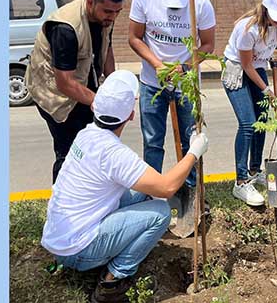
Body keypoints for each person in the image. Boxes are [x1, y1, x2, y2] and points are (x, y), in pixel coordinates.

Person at [41, 70, 210, 303]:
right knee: (160, 211)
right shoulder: (114, 155)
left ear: (94, 108)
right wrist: (194, 152)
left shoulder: (85, 135)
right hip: (77, 251)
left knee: (143, 191)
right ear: (131, 115)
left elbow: (148, 183)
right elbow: (168, 187)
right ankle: (113, 281)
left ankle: (114, 246)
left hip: (59, 238)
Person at [128, 0, 216, 188]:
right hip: (151, 83)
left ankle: (190, 190)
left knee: (190, 142)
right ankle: (152, 189)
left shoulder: (202, 3)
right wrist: (157, 64)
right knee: (152, 141)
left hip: (186, 85)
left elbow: (207, 44)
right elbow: (134, 38)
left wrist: (185, 66)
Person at [26, 0, 124, 183]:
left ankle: (86, 197)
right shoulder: (66, 28)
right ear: (90, 2)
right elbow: (65, 83)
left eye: (117, 12)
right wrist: (101, 102)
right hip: (54, 94)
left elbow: (107, 49)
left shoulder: (105, 18)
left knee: (90, 148)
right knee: (70, 153)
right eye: (108, 11)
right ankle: (62, 208)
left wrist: (114, 84)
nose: (112, 17)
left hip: (81, 86)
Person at [221, 0, 277, 206]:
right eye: (276, 16)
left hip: (258, 68)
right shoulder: (248, 29)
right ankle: (241, 181)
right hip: (238, 70)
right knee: (248, 124)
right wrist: (267, 90)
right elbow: (246, 65)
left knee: (262, 122)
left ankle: (255, 170)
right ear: (265, 8)